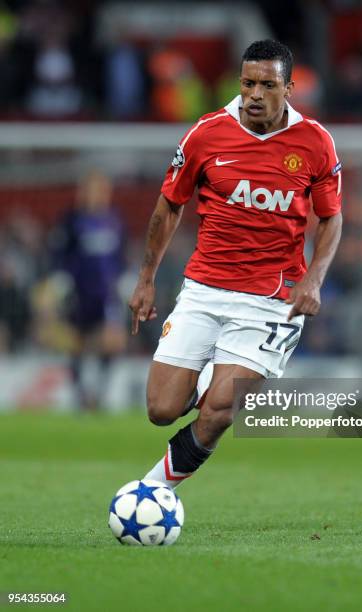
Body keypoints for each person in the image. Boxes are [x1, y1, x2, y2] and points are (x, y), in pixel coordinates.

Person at [129, 40, 343, 487]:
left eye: (268, 85)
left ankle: (152, 491)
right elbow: (169, 206)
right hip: (205, 288)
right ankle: (208, 373)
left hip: (271, 301)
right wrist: (146, 279)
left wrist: (315, 280)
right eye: (248, 83)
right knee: (160, 409)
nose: (255, 94)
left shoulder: (315, 143)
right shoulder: (207, 133)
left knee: (220, 409)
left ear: (289, 87)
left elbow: (331, 217)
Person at [51, 171, 127, 409]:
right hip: (79, 292)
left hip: (106, 293)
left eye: (101, 190)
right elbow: (60, 254)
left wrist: (124, 279)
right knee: (77, 344)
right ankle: (81, 395)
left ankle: (101, 393)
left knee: (112, 341)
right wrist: (61, 280)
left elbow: (120, 256)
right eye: (92, 190)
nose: (97, 195)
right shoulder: (72, 221)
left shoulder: (114, 221)